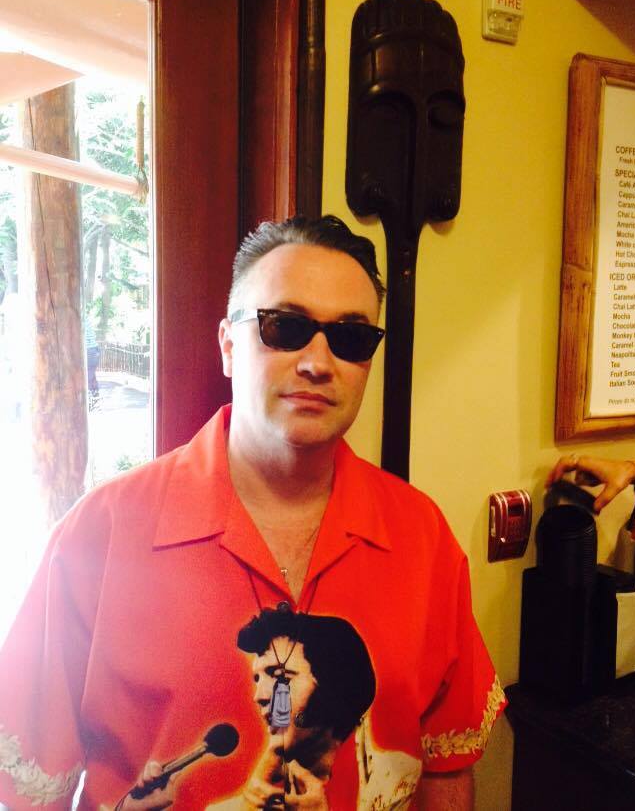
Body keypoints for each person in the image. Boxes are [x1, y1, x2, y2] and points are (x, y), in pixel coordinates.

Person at [0, 215, 504, 810]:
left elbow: (447, 767)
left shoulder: (422, 537)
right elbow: (31, 792)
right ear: (228, 345)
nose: (318, 362)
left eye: (350, 337)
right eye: (285, 326)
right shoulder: (99, 537)